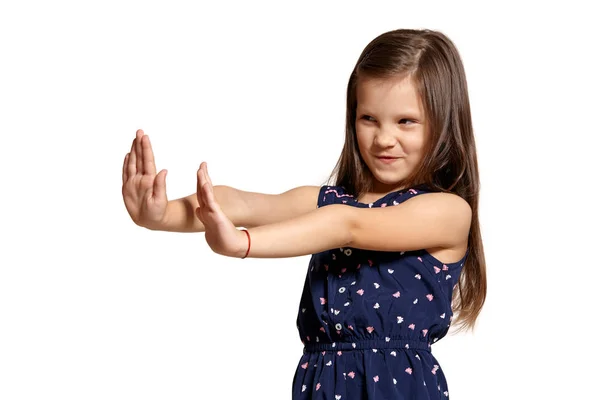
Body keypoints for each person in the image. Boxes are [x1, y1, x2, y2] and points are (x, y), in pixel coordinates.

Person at [122, 28, 486, 399]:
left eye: (405, 121)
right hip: (320, 385)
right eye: (368, 118)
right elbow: (243, 204)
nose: (383, 139)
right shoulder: (330, 201)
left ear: (443, 123)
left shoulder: (447, 211)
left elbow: (348, 225)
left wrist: (242, 243)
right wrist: (160, 215)